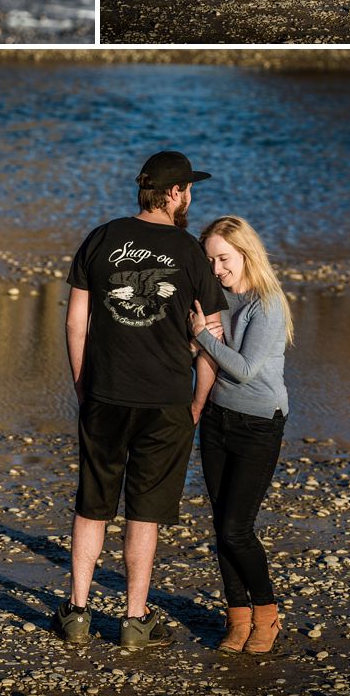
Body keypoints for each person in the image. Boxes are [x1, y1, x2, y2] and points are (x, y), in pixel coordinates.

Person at [52, 151, 228, 649]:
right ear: (174, 193)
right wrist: (196, 402)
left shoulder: (101, 238)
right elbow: (210, 333)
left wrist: (83, 385)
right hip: (166, 400)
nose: (190, 197)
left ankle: (78, 613)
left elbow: (74, 323)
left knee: (92, 505)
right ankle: (134, 621)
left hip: (106, 394)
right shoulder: (191, 253)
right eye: (188, 189)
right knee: (144, 511)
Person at [187, 215, 294, 655]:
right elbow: (207, 354)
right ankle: (237, 618)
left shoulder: (267, 304)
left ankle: (266, 615)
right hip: (217, 420)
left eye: (223, 258)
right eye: (210, 260)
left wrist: (202, 337)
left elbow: (245, 370)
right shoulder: (224, 299)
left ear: (246, 252)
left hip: (258, 424)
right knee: (220, 525)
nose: (216, 269)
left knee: (236, 528)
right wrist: (197, 343)